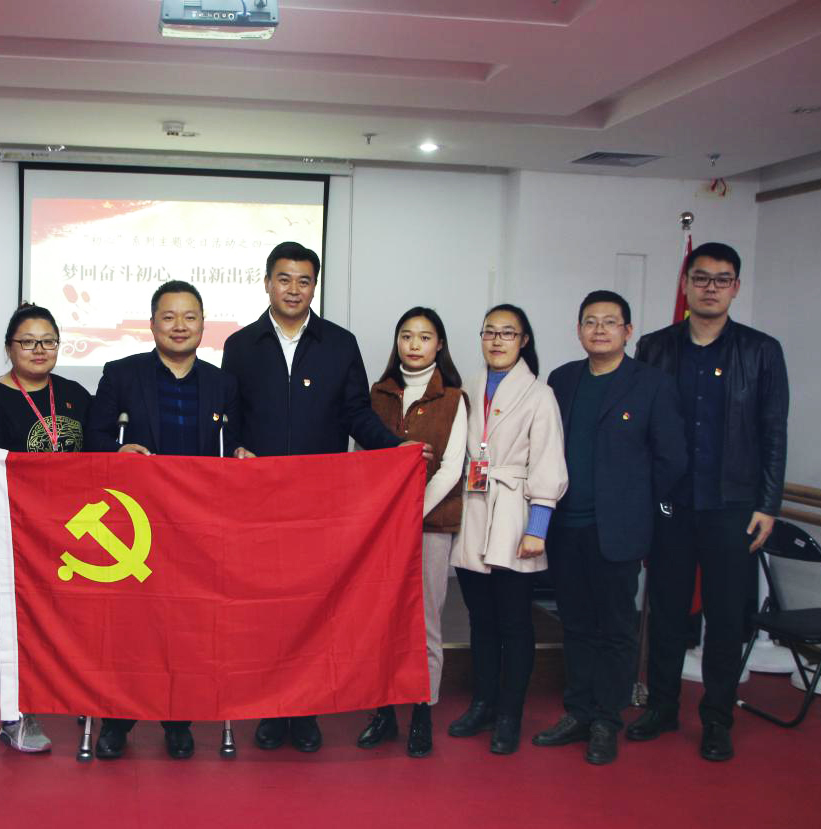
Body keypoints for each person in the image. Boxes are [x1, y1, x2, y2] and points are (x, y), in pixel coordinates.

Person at [221, 241, 429, 754]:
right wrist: (236, 448)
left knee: (314, 608)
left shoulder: (339, 343)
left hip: (320, 505)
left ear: (315, 286)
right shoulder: (241, 345)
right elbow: (231, 416)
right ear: (266, 283)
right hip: (259, 503)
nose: (294, 290)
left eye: (304, 281)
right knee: (268, 611)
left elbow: (356, 414)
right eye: (284, 279)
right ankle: (272, 711)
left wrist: (395, 450)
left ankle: (305, 711)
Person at [631, 242, 789, 762]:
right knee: (666, 611)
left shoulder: (761, 351)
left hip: (733, 505)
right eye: (701, 278)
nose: (710, 288)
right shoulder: (655, 348)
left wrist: (768, 503)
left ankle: (718, 718)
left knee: (724, 618)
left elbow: (773, 430)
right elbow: (642, 429)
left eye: (722, 279)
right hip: (670, 503)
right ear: (685, 285)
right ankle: (661, 707)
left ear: (735, 287)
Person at [85, 280, 241, 760]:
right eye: (169, 317)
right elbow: (93, 437)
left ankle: (178, 720)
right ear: (152, 324)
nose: (179, 326)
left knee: (186, 624)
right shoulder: (121, 374)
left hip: (197, 526)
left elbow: (237, 444)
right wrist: (117, 451)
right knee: (129, 627)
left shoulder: (221, 384)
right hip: (134, 525)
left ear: (203, 325)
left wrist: (241, 454)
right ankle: (117, 720)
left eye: (189, 317)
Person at [534, 291, 686, 765]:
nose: (599, 330)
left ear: (628, 331)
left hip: (618, 530)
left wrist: (635, 504)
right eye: (590, 322)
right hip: (567, 527)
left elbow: (672, 459)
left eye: (610, 322)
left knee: (616, 629)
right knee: (576, 625)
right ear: (578, 330)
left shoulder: (652, 384)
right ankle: (578, 712)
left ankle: (606, 720)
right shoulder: (562, 379)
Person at [0, 303, 91, 754]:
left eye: (48, 341)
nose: (39, 350)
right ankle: (15, 715)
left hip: (71, 533)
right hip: (14, 536)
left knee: (74, 619)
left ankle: (79, 695)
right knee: (17, 622)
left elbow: (96, 458)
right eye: (28, 342)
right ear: (9, 347)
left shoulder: (74, 394)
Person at [448, 304, 567, 755]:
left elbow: (549, 463)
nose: (497, 341)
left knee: (515, 621)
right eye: (490, 332)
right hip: (474, 510)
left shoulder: (540, 395)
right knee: (480, 618)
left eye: (507, 333)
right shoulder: (468, 388)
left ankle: (509, 714)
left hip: (516, 515)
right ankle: (482, 703)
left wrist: (538, 528)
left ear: (524, 341)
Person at [355, 307, 467, 758]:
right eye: (406, 335)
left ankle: (423, 712)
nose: (414, 344)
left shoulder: (454, 398)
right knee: (379, 621)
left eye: (424, 336)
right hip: (380, 530)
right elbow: (361, 458)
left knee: (425, 624)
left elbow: (451, 469)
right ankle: (383, 712)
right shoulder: (377, 394)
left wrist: (409, 514)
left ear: (439, 345)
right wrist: (379, 516)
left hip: (428, 527)